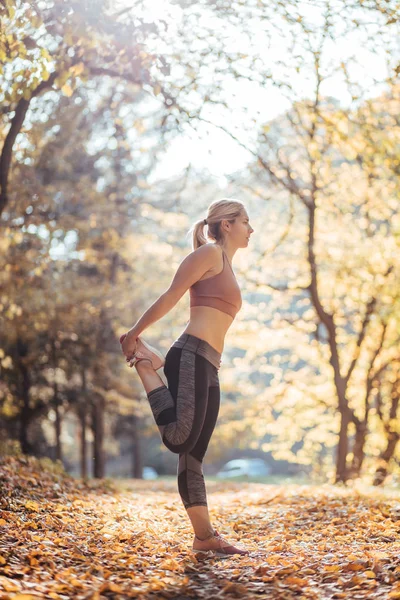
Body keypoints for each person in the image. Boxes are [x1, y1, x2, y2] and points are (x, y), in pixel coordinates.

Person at [120, 198, 254, 557]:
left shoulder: (225, 264)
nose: (251, 229)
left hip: (208, 363)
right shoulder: (209, 255)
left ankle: (204, 538)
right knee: (179, 440)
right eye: (245, 221)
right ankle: (147, 368)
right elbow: (171, 295)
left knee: (193, 454)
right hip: (191, 355)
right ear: (226, 224)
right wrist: (134, 333)